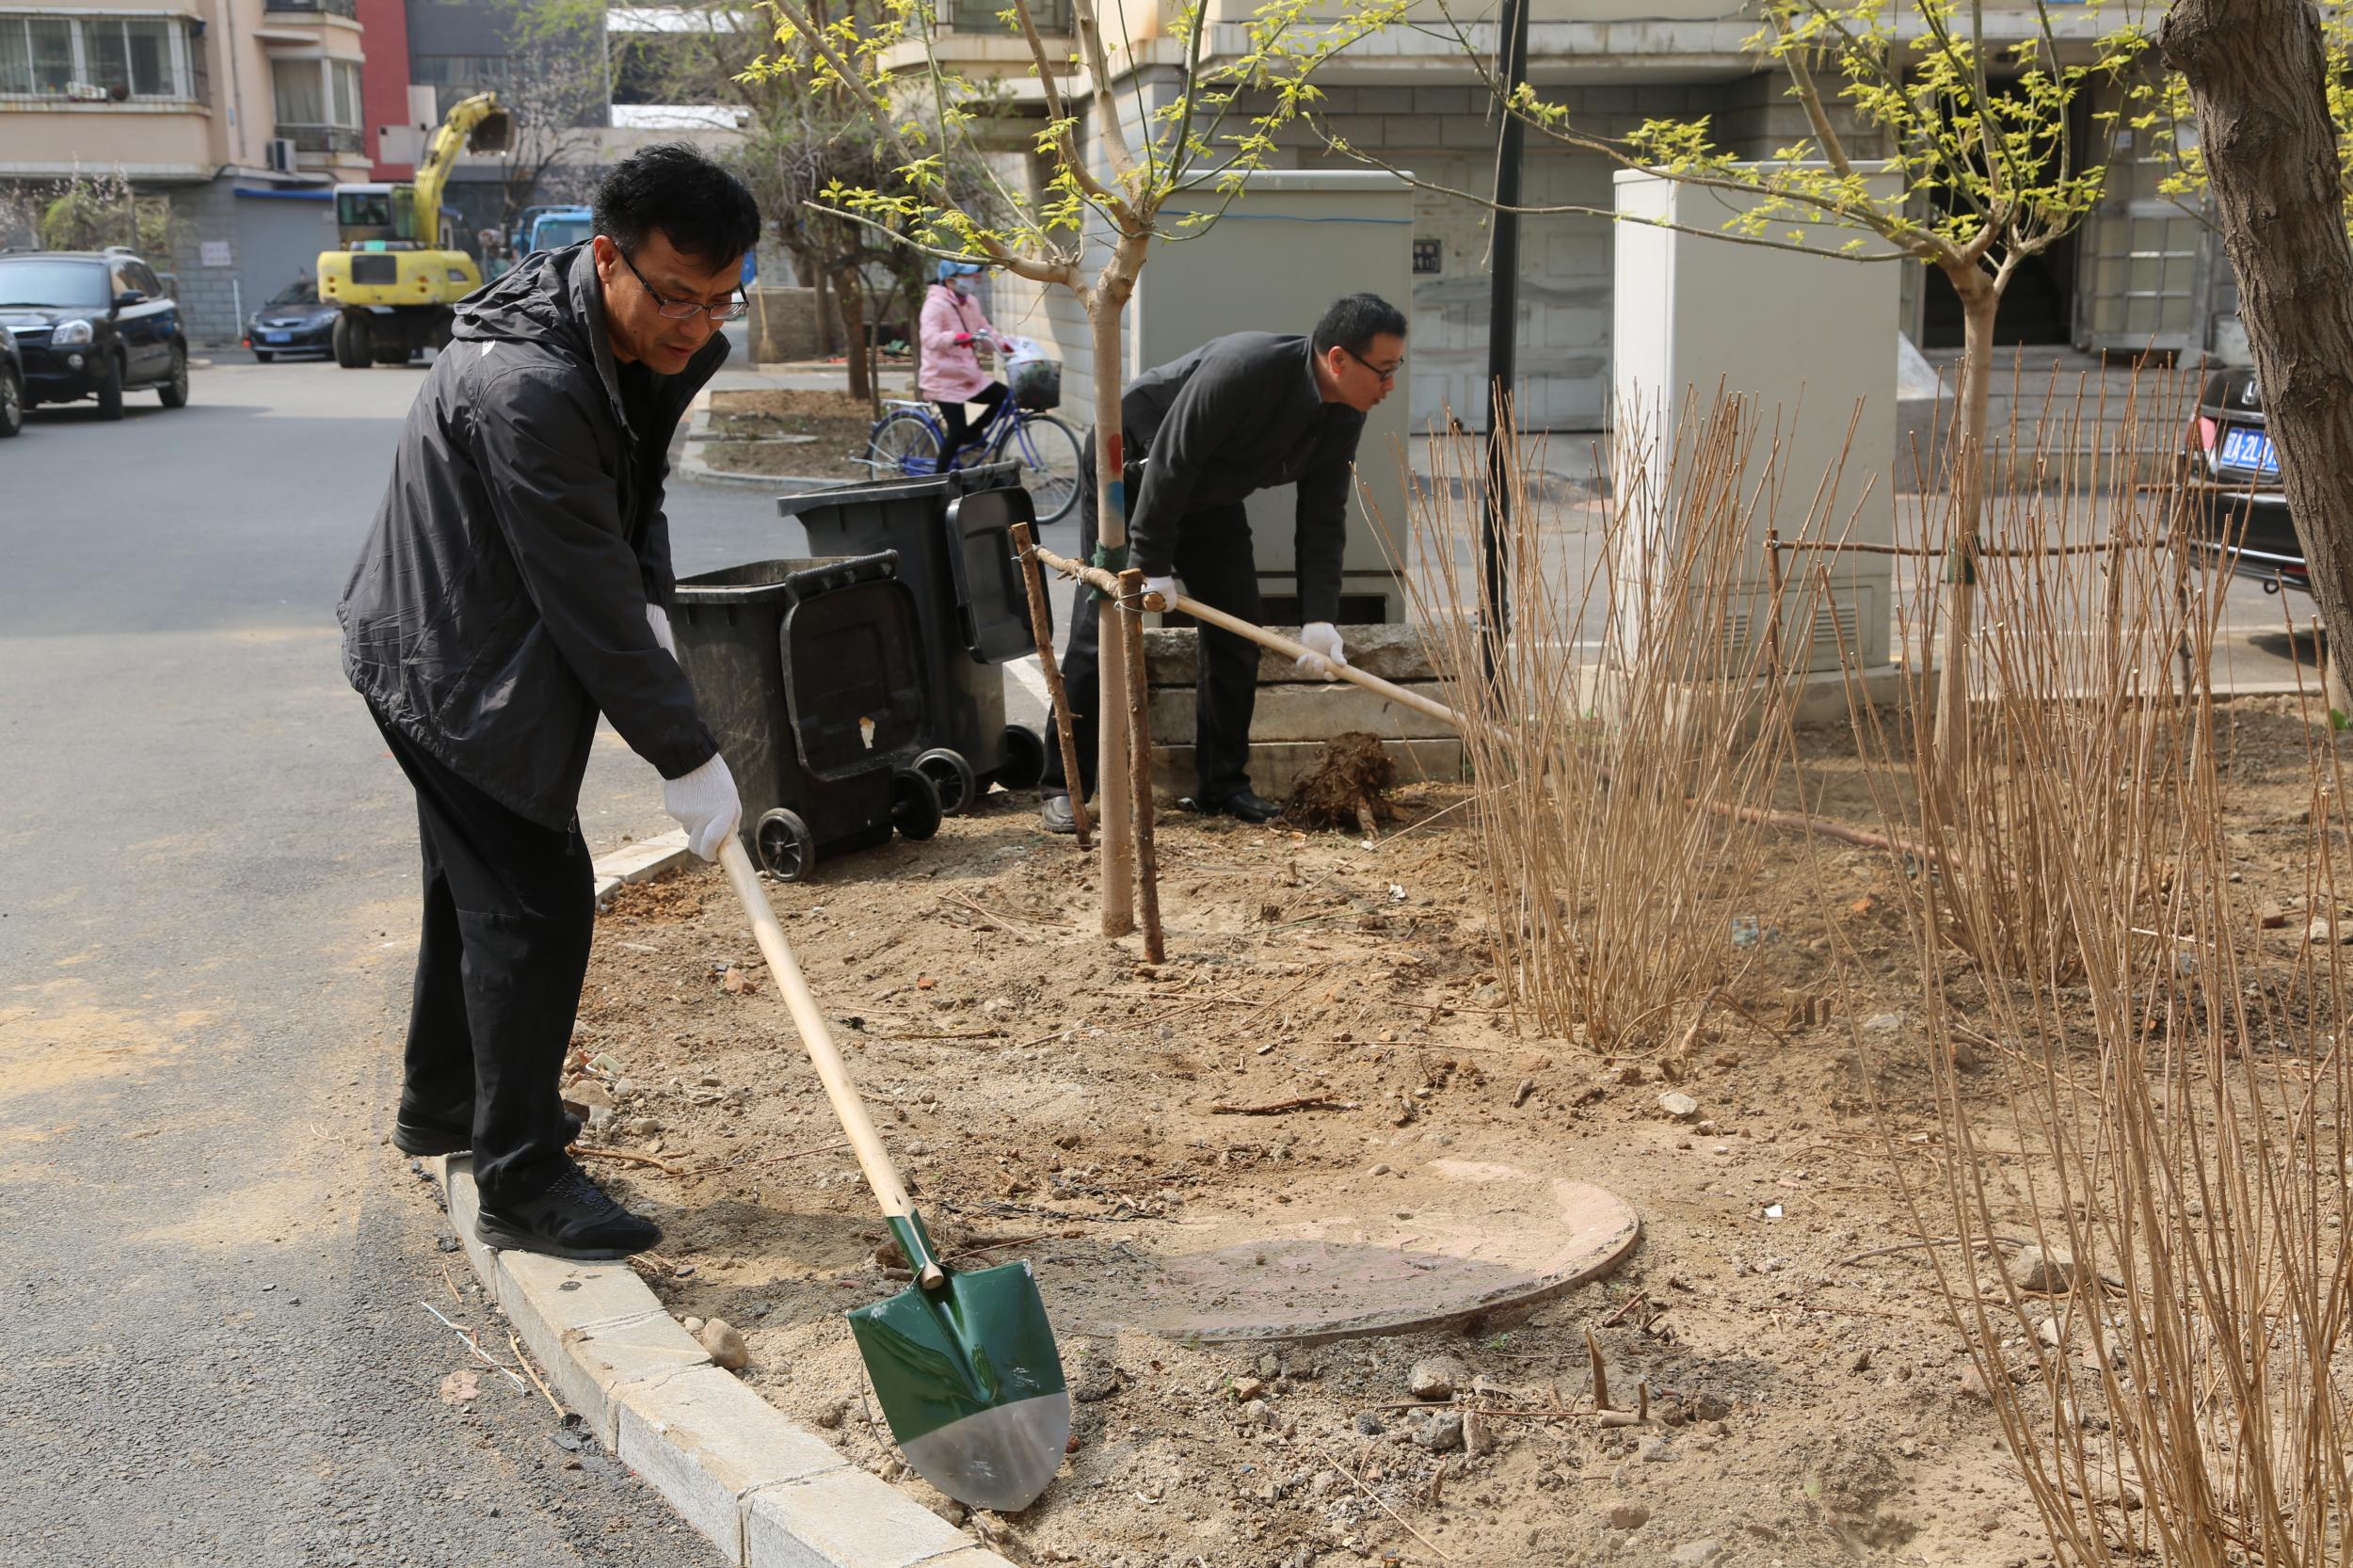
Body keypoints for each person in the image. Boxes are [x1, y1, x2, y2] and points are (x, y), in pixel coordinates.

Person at [337, 144, 758, 1261]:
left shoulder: (644, 334)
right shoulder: (527, 384)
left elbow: (638, 487)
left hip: (469, 623)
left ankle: (444, 1103)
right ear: (607, 257)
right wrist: (684, 750)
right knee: (535, 898)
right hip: (450, 654)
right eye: (676, 295)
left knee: (470, 886)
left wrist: (654, 592)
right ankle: (521, 1179)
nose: (699, 323)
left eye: (723, 298)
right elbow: (580, 589)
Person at [1038, 294, 1407, 830]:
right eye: (1385, 370)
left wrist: (1319, 618)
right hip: (1132, 464)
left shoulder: (1345, 414)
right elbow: (1170, 462)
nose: (1390, 386)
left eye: (1397, 370)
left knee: (1239, 627)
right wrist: (1151, 564)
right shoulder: (1246, 369)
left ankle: (1221, 784)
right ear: (1339, 359)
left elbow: (1324, 516)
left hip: (1211, 492)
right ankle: (1065, 784)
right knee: (1107, 628)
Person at [920, 260, 1016, 463]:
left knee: (1006, 397)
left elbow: (984, 329)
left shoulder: (970, 302)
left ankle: (973, 434)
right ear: (950, 281)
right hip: (942, 380)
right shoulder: (935, 304)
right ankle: (939, 482)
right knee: (955, 433)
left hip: (968, 375)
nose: (973, 279)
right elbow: (929, 337)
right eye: (966, 276)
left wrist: (1002, 345)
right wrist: (955, 338)